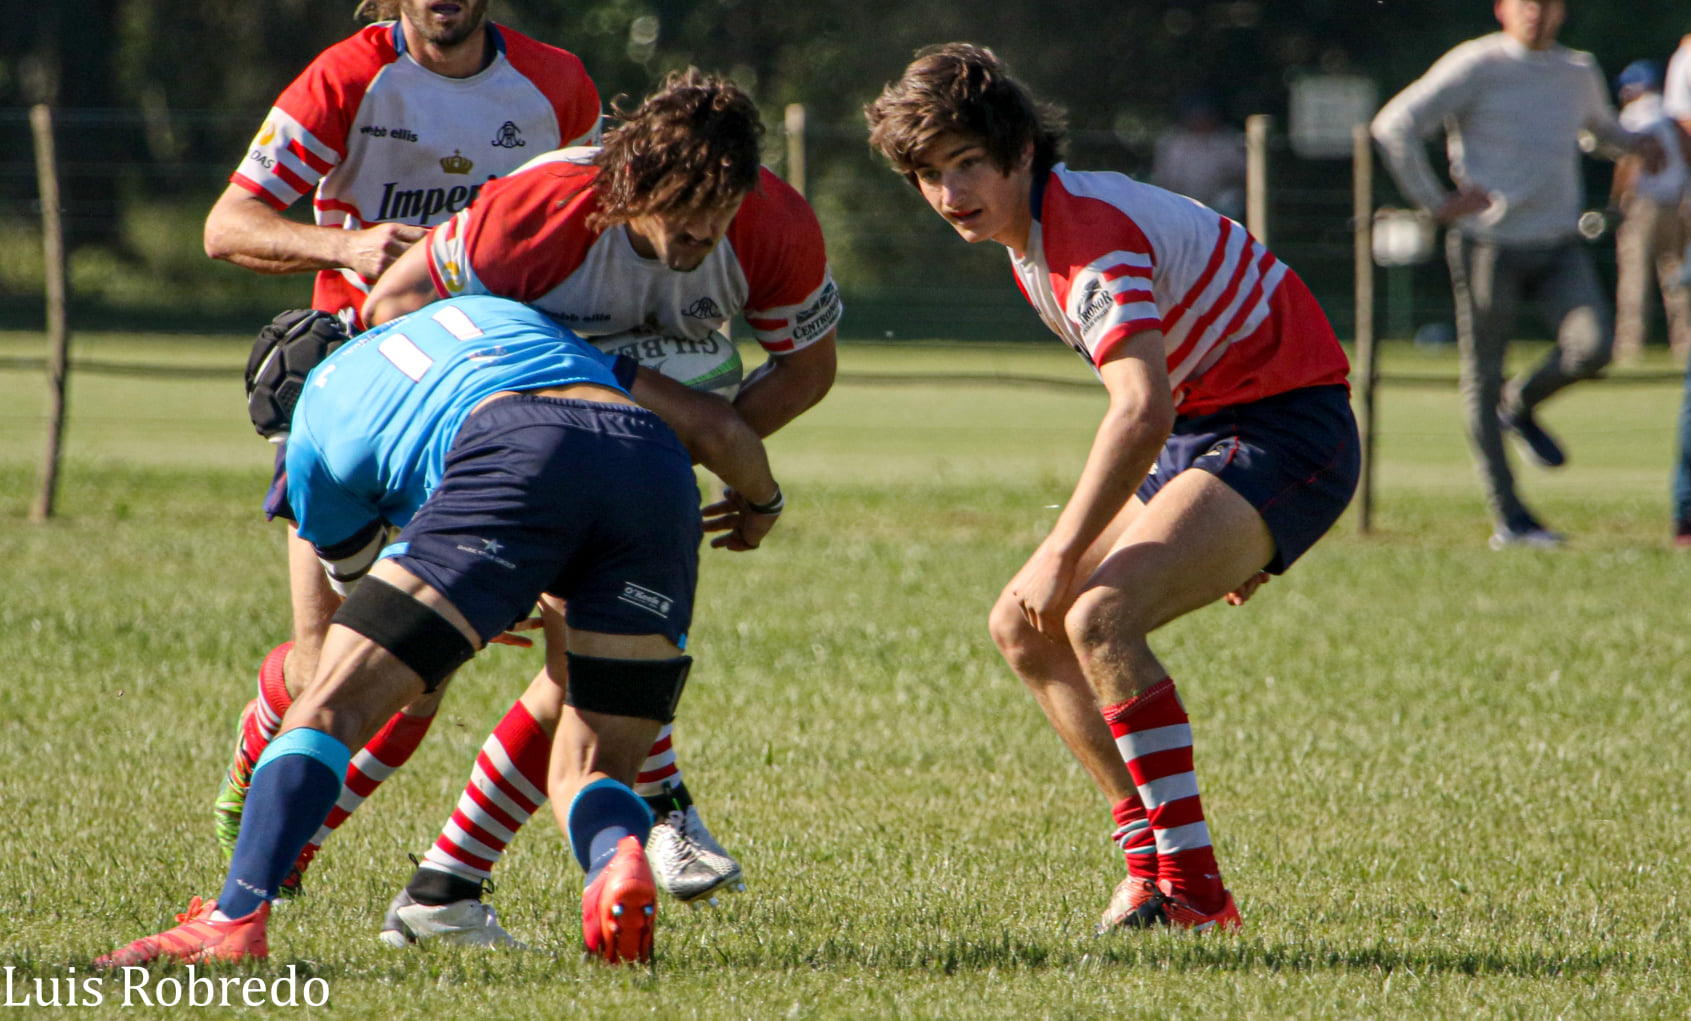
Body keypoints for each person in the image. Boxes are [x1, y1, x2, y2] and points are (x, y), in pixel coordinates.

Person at [94, 294, 785, 969]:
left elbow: (361, 614)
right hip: (652, 463)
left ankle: (233, 917)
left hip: (513, 448)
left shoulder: (309, 433)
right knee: (595, 763)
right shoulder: (487, 309)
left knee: (334, 699)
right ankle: (617, 858)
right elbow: (710, 430)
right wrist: (760, 502)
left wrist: (483, 602)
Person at [865, 43, 1358, 932]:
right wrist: (1206, 524)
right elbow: (1169, 409)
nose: (948, 194)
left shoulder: (1085, 237)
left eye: (968, 163)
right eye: (929, 175)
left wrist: (1068, 550)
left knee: (1093, 614)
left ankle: (1199, 898)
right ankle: (1149, 865)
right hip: (1218, 431)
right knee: (1023, 623)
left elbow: (1140, 410)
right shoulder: (1040, 229)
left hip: (1284, 429)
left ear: (1019, 151)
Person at [356, 67, 841, 944]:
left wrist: (695, 448)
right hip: (511, 445)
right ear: (626, 188)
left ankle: (442, 892)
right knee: (440, 675)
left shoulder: (773, 221)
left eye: (717, 213)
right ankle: (654, 807)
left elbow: (807, 369)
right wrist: (461, 478)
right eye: (678, 214)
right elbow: (395, 308)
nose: (699, 233)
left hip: (631, 461)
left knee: (578, 673)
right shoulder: (538, 209)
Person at [201, 0, 605, 898]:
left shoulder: (559, 86)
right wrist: (346, 242)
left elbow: (596, 220)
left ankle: (298, 845)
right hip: (357, 398)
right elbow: (227, 224)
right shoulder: (347, 77)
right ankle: (260, 787)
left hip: (487, 404)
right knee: (322, 663)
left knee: (418, 673)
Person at [1371, 0, 1664, 549]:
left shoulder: (1577, 70)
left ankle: (1521, 404)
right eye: (1527, 4)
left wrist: (1638, 144)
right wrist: (1435, 201)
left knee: (1594, 346)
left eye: (1549, 4)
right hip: (1487, 244)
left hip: (1558, 243)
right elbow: (1395, 125)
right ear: (1503, 9)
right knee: (1481, 376)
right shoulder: (1477, 64)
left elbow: (1597, 130)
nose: (1538, 14)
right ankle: (1512, 518)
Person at [1609, 59, 1690, 363]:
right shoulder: (1673, 116)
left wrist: (1616, 203)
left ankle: (1632, 342)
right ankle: (1684, 340)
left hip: (1644, 203)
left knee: (1634, 276)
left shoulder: (1635, 116)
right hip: (1677, 202)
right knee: (1677, 276)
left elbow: (1629, 162)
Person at [1149, 92, 1247, 221]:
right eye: (1194, 115)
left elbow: (1244, 175)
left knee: (1229, 200)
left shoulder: (1228, 140)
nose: (1199, 120)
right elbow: (1164, 179)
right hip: (1181, 205)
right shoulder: (1174, 142)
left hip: (1219, 208)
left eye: (1203, 115)